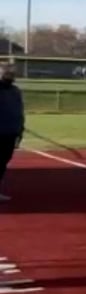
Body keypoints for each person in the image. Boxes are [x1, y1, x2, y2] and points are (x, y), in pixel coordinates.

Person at [0, 63, 23, 203]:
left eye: (12, 74)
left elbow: (19, 111)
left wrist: (20, 130)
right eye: (7, 73)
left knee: (3, 161)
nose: (10, 76)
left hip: (10, 132)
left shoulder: (15, 91)